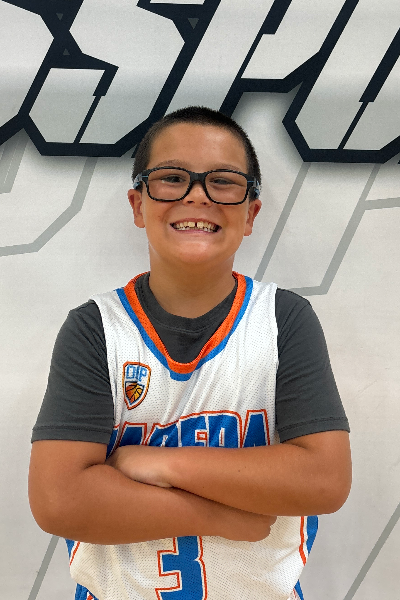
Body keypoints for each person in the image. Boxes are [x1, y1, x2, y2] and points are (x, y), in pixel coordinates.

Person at [29, 106, 351, 600]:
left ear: (251, 213)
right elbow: (60, 501)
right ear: (138, 205)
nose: (197, 195)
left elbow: (324, 480)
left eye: (223, 181)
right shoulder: (95, 329)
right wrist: (220, 517)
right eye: (172, 178)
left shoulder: (283, 319)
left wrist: (159, 464)